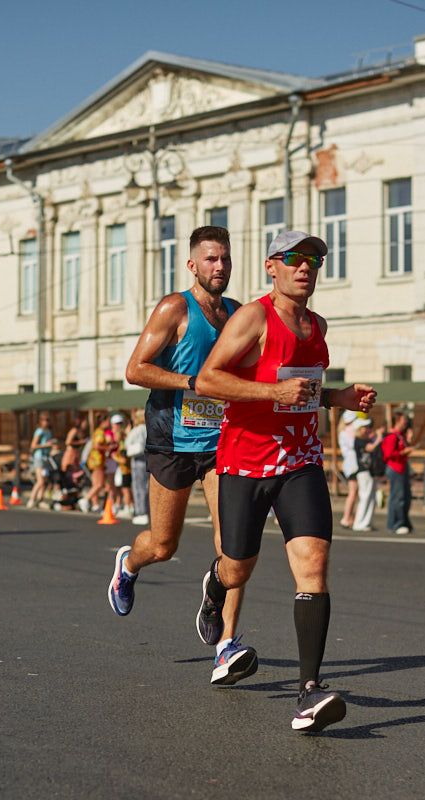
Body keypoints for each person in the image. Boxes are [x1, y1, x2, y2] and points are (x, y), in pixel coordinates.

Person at [195, 229, 376, 733]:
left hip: (300, 461)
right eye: (295, 259)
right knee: (237, 569)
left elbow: (304, 393)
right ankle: (215, 583)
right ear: (272, 266)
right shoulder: (251, 318)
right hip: (245, 464)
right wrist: (272, 388)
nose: (306, 268)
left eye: (315, 260)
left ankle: (309, 692)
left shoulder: (317, 325)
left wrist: (336, 398)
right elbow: (209, 379)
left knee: (314, 565)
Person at [108, 225, 255, 686]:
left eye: (226, 259)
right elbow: (136, 369)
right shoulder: (176, 308)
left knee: (235, 546)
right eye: (211, 259)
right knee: (163, 544)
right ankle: (129, 564)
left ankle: (226, 646)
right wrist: (193, 383)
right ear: (192, 265)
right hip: (171, 441)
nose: (220, 267)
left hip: (221, 446)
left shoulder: (236, 314)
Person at [381, 413, 414, 535]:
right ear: (398, 420)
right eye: (404, 419)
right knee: (398, 497)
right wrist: (403, 452)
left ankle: (403, 522)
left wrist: (409, 441)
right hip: (395, 468)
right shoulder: (392, 436)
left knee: (405, 496)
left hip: (402, 467)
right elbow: (389, 454)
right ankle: (397, 523)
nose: (406, 423)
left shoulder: (402, 436)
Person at [124, 409, 149, 525]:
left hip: (138, 458)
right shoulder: (149, 429)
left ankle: (140, 512)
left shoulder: (137, 430)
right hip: (148, 458)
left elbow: (127, 443)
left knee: (138, 486)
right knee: (148, 486)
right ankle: (149, 511)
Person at [337, 410, 361, 528]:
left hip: (352, 464)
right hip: (352, 465)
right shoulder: (346, 433)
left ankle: (351, 517)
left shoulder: (345, 432)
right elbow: (354, 445)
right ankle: (346, 517)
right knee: (353, 491)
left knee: (355, 492)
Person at [28, 412, 55, 507]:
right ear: (41, 421)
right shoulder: (39, 431)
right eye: (45, 420)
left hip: (46, 458)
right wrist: (45, 445)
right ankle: (31, 499)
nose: (46, 422)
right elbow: (33, 445)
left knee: (44, 480)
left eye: (48, 420)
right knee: (39, 480)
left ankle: (40, 499)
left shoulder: (48, 432)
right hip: (39, 457)